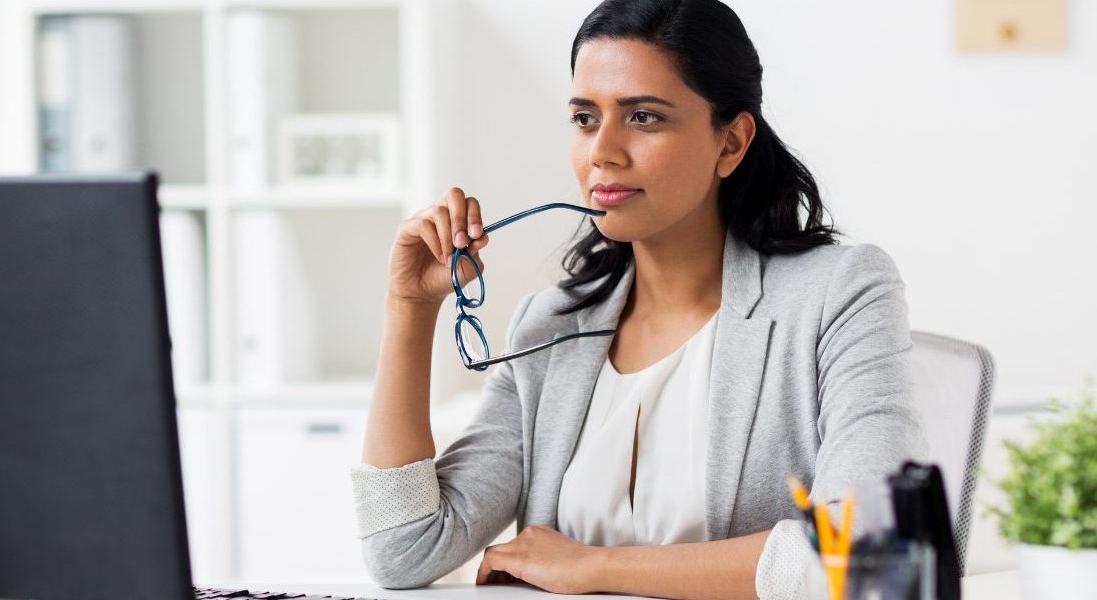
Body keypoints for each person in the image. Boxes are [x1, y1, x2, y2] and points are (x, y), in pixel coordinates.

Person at [351, 0, 926, 598]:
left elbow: (875, 550)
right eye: (584, 118)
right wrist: (409, 310)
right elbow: (403, 550)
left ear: (730, 143)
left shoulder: (840, 293)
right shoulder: (550, 327)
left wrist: (594, 567)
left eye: (644, 117)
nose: (603, 150)